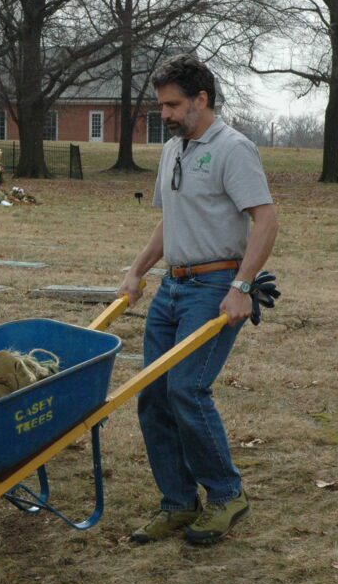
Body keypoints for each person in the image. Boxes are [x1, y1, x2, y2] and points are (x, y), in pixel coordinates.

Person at [117, 54, 278, 546]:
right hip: (172, 286)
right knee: (152, 394)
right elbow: (171, 221)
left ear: (201, 99)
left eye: (172, 104)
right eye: (160, 104)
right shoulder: (173, 150)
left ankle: (227, 494)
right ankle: (178, 503)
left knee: (187, 390)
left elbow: (265, 221)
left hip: (213, 288)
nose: (163, 114)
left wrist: (241, 287)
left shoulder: (233, 149)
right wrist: (137, 269)